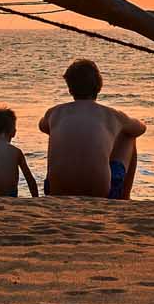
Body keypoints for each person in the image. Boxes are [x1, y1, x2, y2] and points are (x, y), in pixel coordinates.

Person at [38, 58, 146, 199]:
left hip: (55, 191)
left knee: (58, 133)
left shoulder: (55, 113)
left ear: (70, 89)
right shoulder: (112, 115)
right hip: (100, 193)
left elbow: (42, 126)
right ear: (99, 86)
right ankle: (125, 197)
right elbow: (140, 129)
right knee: (129, 136)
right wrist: (119, 126)